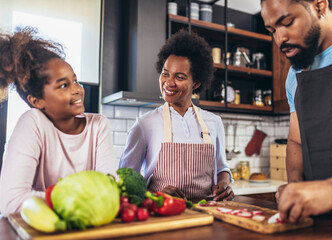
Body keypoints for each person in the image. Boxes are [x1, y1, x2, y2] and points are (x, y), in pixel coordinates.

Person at [0, 27, 117, 217]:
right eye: (63, 85)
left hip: (88, 226)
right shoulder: (33, 123)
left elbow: (111, 188)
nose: (77, 89)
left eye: (75, 80)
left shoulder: (99, 125)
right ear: (37, 101)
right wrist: (86, 201)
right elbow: (11, 202)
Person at [261, 0, 332, 222]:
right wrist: (296, 184)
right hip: (322, 225)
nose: (280, 39)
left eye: (287, 22)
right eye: (272, 30)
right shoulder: (295, 73)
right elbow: (296, 142)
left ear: (319, 5)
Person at [119, 30, 234, 202]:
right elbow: (126, 182)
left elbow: (221, 169)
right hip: (162, 214)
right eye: (165, 73)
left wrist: (225, 184)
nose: (169, 82)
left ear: (196, 83)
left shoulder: (214, 122)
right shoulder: (145, 124)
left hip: (206, 214)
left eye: (179, 77)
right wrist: (154, 196)